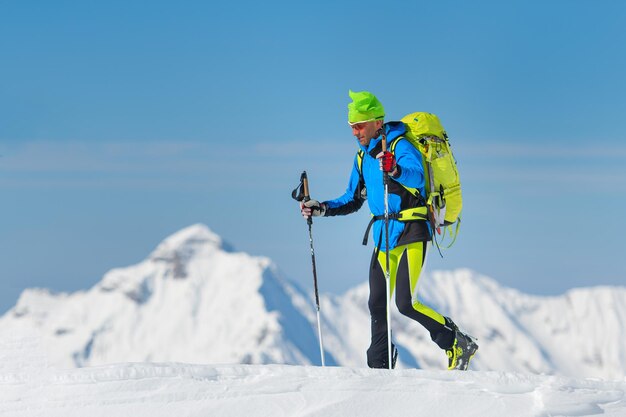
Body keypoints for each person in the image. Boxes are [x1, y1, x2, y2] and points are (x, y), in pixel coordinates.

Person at [300, 90, 478, 370]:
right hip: (383, 235)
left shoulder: (400, 145)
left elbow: (417, 177)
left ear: (376, 123)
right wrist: (320, 207)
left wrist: (394, 169)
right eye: (351, 127)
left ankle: (457, 342)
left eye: (359, 126)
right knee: (377, 303)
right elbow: (351, 199)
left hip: (412, 230)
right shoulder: (362, 157)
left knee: (406, 303)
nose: (355, 132)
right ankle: (380, 363)